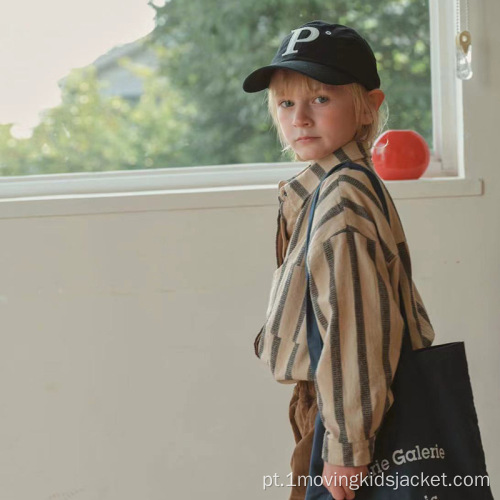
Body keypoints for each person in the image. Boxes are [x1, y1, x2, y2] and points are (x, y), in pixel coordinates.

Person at [242, 21, 436, 500]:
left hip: (344, 421)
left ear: (368, 105)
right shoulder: (330, 188)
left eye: (321, 99)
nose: (300, 118)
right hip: (337, 410)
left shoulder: (341, 202)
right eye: (287, 103)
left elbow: (355, 333)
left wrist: (347, 451)